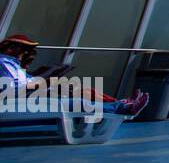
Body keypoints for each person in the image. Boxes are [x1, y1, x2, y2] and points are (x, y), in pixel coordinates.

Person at [0, 34, 149, 116]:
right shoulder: (4, 61)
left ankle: (123, 103)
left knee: (82, 91)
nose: (26, 53)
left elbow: (26, 81)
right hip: (17, 99)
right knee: (77, 102)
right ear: (12, 48)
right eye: (24, 49)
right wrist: (47, 82)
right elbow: (17, 87)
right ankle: (123, 108)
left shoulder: (13, 63)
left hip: (27, 94)